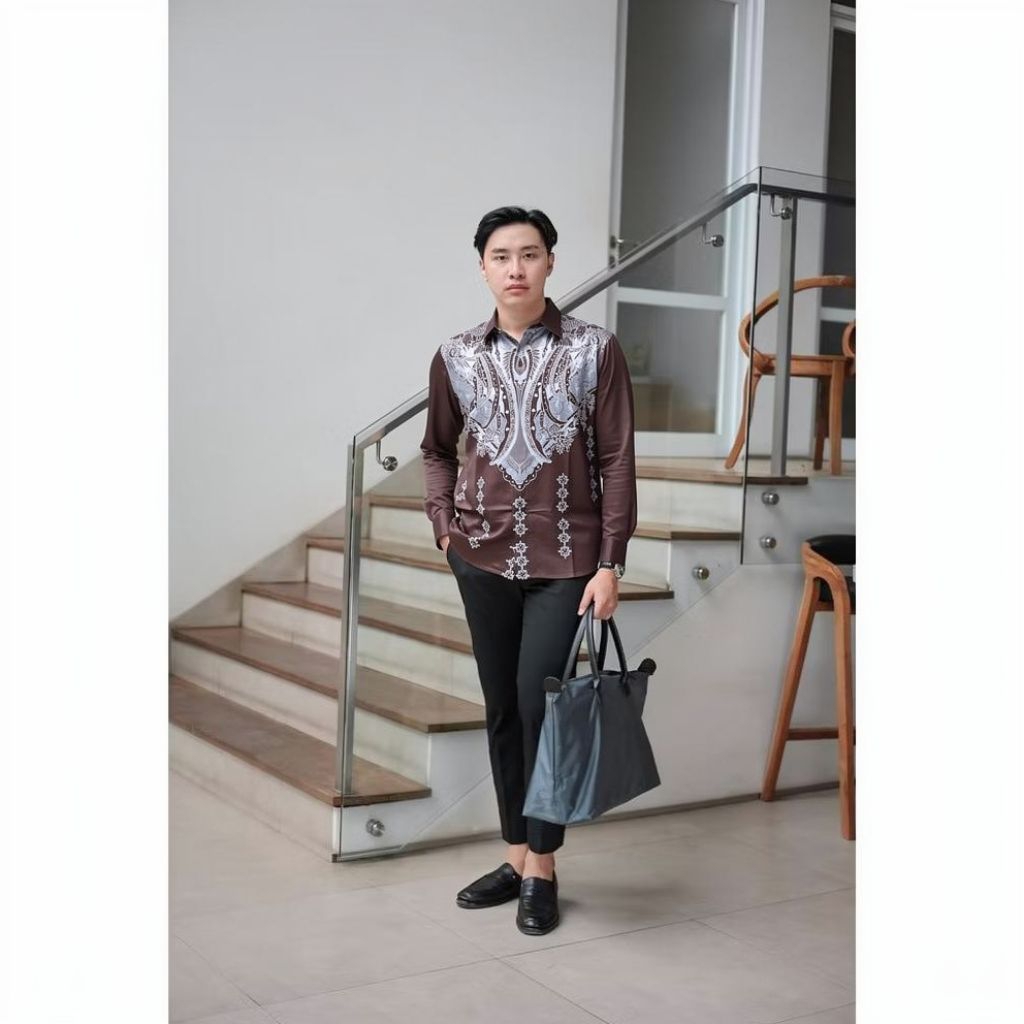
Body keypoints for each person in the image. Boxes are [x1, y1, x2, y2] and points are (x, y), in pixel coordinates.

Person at [420, 205, 637, 936]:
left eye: (530, 254)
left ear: (550, 263)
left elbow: (616, 458)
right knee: (502, 708)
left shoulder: (595, 349)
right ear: (482, 267)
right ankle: (516, 855)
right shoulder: (454, 355)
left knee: (540, 705)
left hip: (568, 560)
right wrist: (445, 528)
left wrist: (611, 561)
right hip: (480, 557)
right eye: (502, 256)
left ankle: (542, 864)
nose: (516, 268)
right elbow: (436, 449)